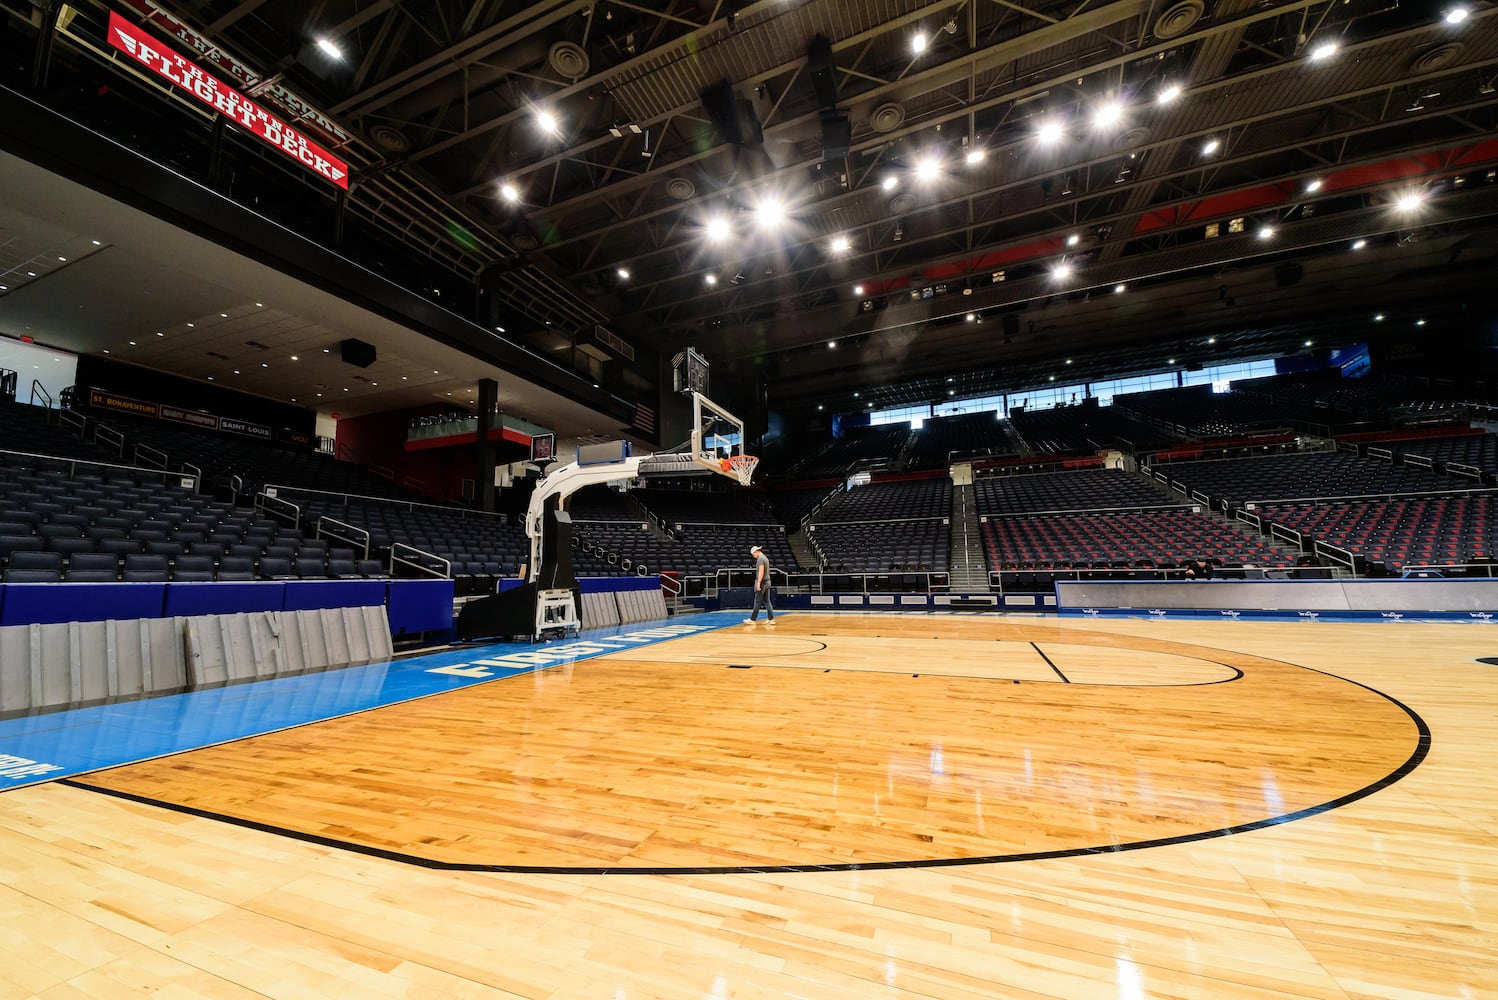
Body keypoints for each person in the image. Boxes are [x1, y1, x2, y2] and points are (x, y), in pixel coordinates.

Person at [744, 544, 776, 624]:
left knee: (757, 601)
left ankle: (752, 619)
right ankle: (771, 619)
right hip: (768, 581)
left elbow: (761, 572)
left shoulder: (760, 559)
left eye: (753, 554)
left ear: (756, 552)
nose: (753, 556)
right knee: (767, 600)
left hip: (762, 582)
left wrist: (758, 583)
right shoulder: (765, 558)